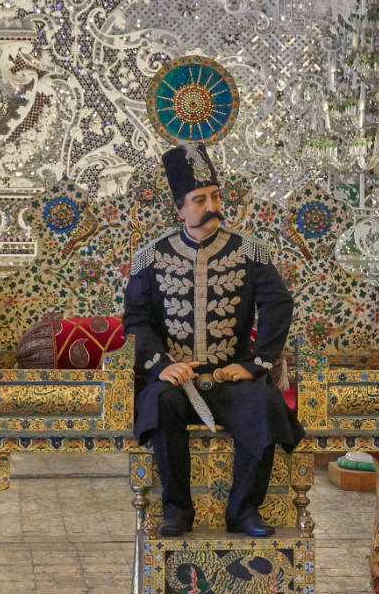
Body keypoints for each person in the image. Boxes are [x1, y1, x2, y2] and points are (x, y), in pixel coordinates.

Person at [123, 144, 302, 537]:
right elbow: (136, 320)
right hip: (176, 378)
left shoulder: (251, 252)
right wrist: (160, 365)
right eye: (200, 200)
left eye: (216, 197)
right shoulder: (150, 257)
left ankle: (244, 511)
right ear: (180, 209)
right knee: (160, 403)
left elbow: (278, 305)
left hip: (229, 375)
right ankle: (176, 511)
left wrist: (256, 364)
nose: (211, 207)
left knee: (263, 403)